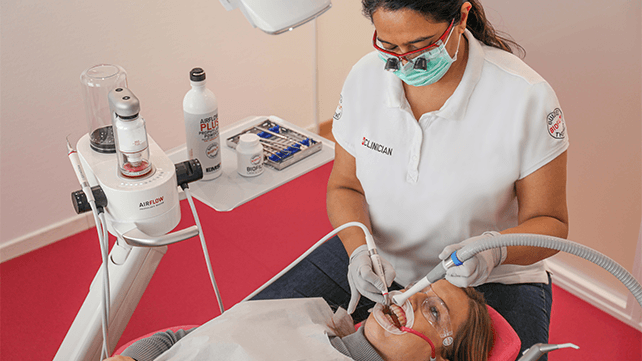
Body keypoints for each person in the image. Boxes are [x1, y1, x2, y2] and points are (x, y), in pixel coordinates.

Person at [254, 1, 569, 360]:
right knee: (253, 329)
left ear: (461, 17)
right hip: (378, 262)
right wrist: (359, 250)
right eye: (389, 46)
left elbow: (552, 224)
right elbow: (346, 186)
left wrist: (492, 251)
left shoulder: (525, 96)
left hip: (486, 284)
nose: (404, 62)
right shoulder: (365, 78)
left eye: (421, 44)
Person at [104, 280, 493, 361]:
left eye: (432, 310)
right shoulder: (302, 316)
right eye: (417, 289)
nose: (409, 298)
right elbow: (179, 339)